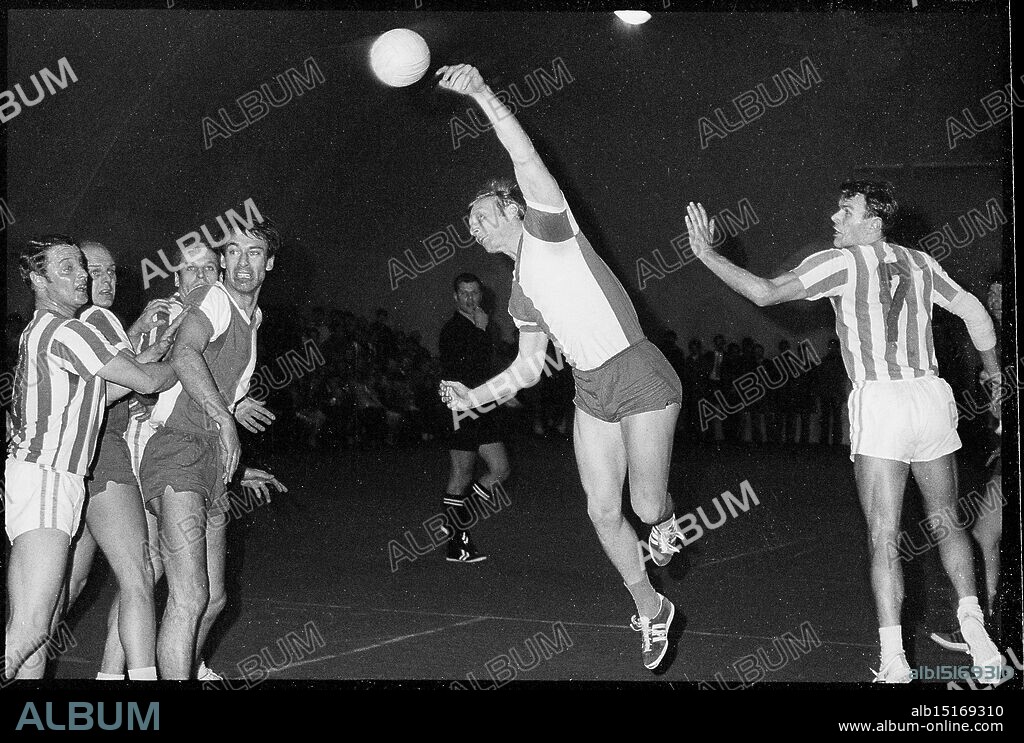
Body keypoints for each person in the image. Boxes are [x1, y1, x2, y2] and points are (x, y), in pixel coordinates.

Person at [685, 182, 1006, 683]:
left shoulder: (841, 263)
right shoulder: (922, 264)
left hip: (881, 400)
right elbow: (975, 313)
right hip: (929, 397)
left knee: (883, 537)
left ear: (873, 225)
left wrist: (706, 255)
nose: (836, 219)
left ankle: (895, 663)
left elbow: (765, 293)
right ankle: (978, 634)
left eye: (847, 212)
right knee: (946, 519)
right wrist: (993, 373)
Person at [435, 64, 685, 671]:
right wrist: (474, 397)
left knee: (648, 508)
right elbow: (526, 368)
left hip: (640, 372)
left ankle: (667, 522)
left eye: (487, 209)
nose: (478, 220)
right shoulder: (520, 294)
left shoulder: (552, 229)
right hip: (591, 392)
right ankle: (651, 608)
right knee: (602, 511)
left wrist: (483, 95)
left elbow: (524, 160)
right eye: (471, 219)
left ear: (517, 211)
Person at [4, 235, 178, 680]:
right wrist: (189, 355)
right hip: (48, 478)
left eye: (84, 267)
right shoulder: (69, 329)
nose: (82, 276)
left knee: (35, 634)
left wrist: (148, 357)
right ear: (38, 280)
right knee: (29, 630)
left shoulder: (45, 331)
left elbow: (102, 394)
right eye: (68, 268)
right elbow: (144, 381)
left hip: (47, 478)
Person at [139, 221, 281, 679]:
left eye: (254, 253)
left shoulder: (252, 318)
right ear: (222, 262)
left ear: (269, 263)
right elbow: (184, 354)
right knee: (188, 595)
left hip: (213, 462)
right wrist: (224, 419)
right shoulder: (213, 299)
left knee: (214, 597)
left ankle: (182, 670)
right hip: (177, 451)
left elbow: (219, 389)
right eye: (234, 252)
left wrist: (237, 463)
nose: (242, 262)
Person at [59, 240, 180, 681]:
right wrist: (180, 358)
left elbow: (110, 374)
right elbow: (136, 381)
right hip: (105, 456)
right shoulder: (97, 319)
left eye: (112, 272)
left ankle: (26, 662)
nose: (106, 281)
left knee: (68, 586)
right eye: (95, 272)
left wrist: (141, 333)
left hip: (77, 459)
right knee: (138, 577)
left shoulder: (83, 322)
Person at [931, 270, 1005, 653]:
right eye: (990, 294)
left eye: (1001, 293)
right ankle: (988, 625)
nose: (994, 300)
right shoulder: (990, 343)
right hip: (1004, 456)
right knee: (983, 533)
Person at [438, 273, 511, 563]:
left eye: (474, 293)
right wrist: (482, 332)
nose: (470, 299)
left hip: (481, 408)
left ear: (481, 295)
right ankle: (457, 545)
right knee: (461, 477)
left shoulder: (481, 325)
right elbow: (470, 368)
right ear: (455, 297)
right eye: (464, 293)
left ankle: (457, 520)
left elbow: (485, 369)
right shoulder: (453, 330)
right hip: (460, 410)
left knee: (501, 469)